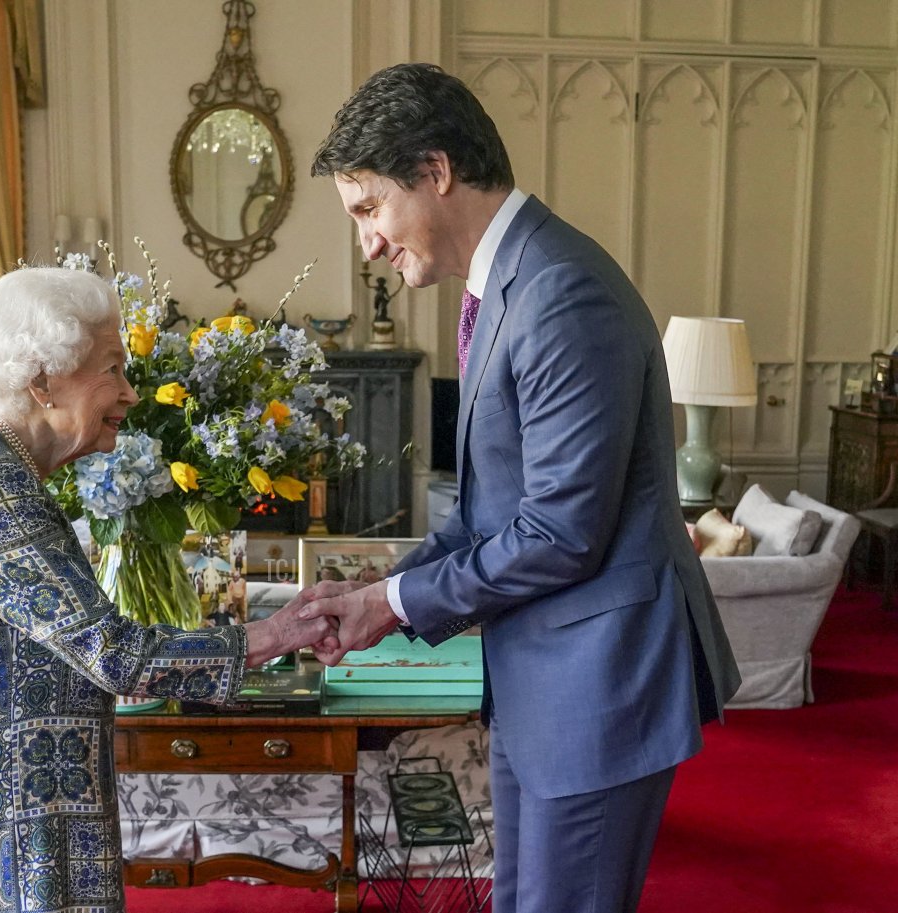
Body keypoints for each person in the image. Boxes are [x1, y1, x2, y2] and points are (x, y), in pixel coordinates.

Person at [302, 63, 741, 913]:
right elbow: (486, 513)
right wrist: (378, 583)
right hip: (546, 676)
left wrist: (393, 603)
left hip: (596, 687)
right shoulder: (508, 284)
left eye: (368, 209)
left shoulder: (560, 292)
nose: (368, 245)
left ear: (435, 172)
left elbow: (559, 534)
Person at [0, 266, 332, 913]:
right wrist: (273, 634)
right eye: (112, 369)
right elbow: (116, 654)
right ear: (42, 380)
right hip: (21, 834)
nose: (130, 392)